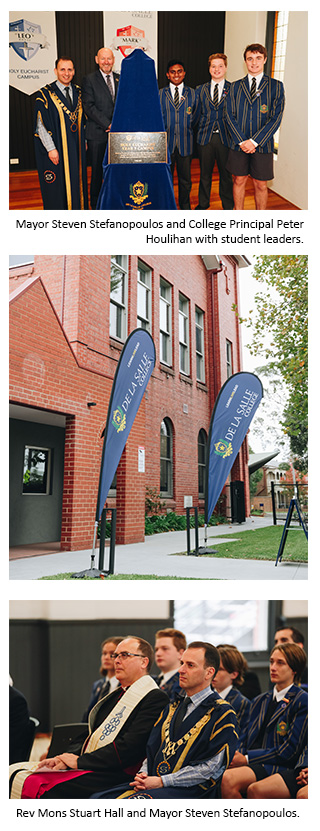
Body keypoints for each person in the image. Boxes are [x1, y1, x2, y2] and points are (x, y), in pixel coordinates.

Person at [9, 637, 168, 799]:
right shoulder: (118, 695)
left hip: (117, 772)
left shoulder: (153, 697)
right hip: (96, 764)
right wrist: (64, 758)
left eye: (125, 655)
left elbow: (130, 747)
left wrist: (80, 762)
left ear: (144, 662)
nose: (117, 661)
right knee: (14, 774)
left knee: (42, 786)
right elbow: (90, 733)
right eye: (116, 656)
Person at [93, 641, 239, 799]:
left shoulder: (222, 713)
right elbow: (152, 750)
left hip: (191, 791)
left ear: (209, 673)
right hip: (154, 783)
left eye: (190, 665)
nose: (181, 670)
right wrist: (143, 774)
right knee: (98, 799)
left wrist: (162, 781)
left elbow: (209, 769)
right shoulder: (173, 707)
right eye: (181, 663)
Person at [221, 643, 308, 799]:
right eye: (271, 662)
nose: (273, 667)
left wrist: (247, 759)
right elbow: (244, 736)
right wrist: (237, 754)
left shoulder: (302, 700)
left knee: (227, 780)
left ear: (294, 669)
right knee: (217, 775)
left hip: (277, 764)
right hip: (254, 762)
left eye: (280, 663)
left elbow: (289, 750)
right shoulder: (260, 700)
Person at [225, 43, 285, 210]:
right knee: (239, 181)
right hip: (239, 144)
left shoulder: (276, 86)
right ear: (245, 61)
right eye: (250, 59)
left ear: (265, 59)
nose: (254, 62)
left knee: (260, 184)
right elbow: (229, 115)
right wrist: (242, 141)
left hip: (263, 145)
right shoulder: (235, 86)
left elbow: (276, 118)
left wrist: (255, 141)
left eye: (258, 58)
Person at [34, 57, 88, 210]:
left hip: (76, 149)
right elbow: (40, 125)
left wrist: (83, 141)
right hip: (57, 148)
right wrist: (51, 148)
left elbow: (83, 120)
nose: (66, 73)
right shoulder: (45, 94)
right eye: (62, 69)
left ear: (74, 72)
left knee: (77, 182)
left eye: (70, 69)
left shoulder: (78, 92)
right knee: (58, 186)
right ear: (55, 71)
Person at [194, 53, 233, 210]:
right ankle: (203, 204)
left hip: (226, 138)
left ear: (225, 68)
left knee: (226, 176)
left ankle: (228, 205)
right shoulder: (200, 89)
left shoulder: (233, 89)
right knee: (204, 175)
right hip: (205, 138)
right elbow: (196, 114)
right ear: (209, 68)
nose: (217, 69)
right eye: (213, 66)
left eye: (220, 66)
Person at [82, 48, 119, 209]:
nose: (106, 62)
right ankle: (96, 205)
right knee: (97, 173)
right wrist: (108, 124)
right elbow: (89, 107)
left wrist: (118, 125)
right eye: (103, 59)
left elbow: (125, 104)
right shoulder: (89, 79)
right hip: (97, 134)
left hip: (118, 135)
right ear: (97, 59)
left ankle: (114, 201)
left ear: (113, 60)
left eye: (109, 59)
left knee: (116, 172)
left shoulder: (120, 78)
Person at [159, 61, 196, 210]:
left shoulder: (193, 93)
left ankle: (185, 205)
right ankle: (166, 205)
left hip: (185, 144)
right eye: (172, 72)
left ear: (184, 73)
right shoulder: (160, 93)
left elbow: (196, 117)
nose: (176, 74)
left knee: (185, 180)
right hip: (165, 145)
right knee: (165, 179)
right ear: (168, 75)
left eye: (179, 71)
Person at [82, 636, 123, 721]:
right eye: (104, 653)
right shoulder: (98, 685)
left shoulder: (125, 684)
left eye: (112, 654)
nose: (107, 657)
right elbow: (89, 714)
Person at [212, 646, 250, 734]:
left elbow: (237, 737)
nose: (213, 673)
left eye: (220, 669)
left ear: (234, 674)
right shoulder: (205, 697)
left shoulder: (241, 703)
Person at [154, 628, 186, 701]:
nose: (158, 653)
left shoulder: (183, 684)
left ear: (181, 653)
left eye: (165, 649)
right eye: (156, 649)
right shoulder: (153, 681)